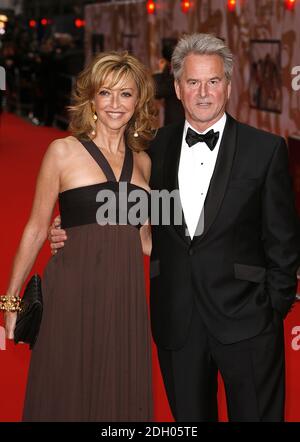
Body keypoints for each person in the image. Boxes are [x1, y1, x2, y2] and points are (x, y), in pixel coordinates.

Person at [49, 34, 300, 422]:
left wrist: (272, 309)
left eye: (213, 81)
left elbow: (284, 240)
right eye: (193, 82)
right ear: (178, 88)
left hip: (248, 321)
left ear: (228, 87)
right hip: (176, 319)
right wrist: (67, 227)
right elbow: (122, 210)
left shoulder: (264, 150)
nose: (204, 93)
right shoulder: (152, 150)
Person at [2, 51, 156, 421]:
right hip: (71, 291)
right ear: (91, 98)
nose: (115, 105)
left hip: (125, 296)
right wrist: (9, 302)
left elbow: (146, 239)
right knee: (65, 391)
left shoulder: (145, 162)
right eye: (106, 93)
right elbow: (37, 227)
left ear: (139, 101)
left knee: (117, 398)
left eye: (126, 94)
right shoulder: (63, 152)